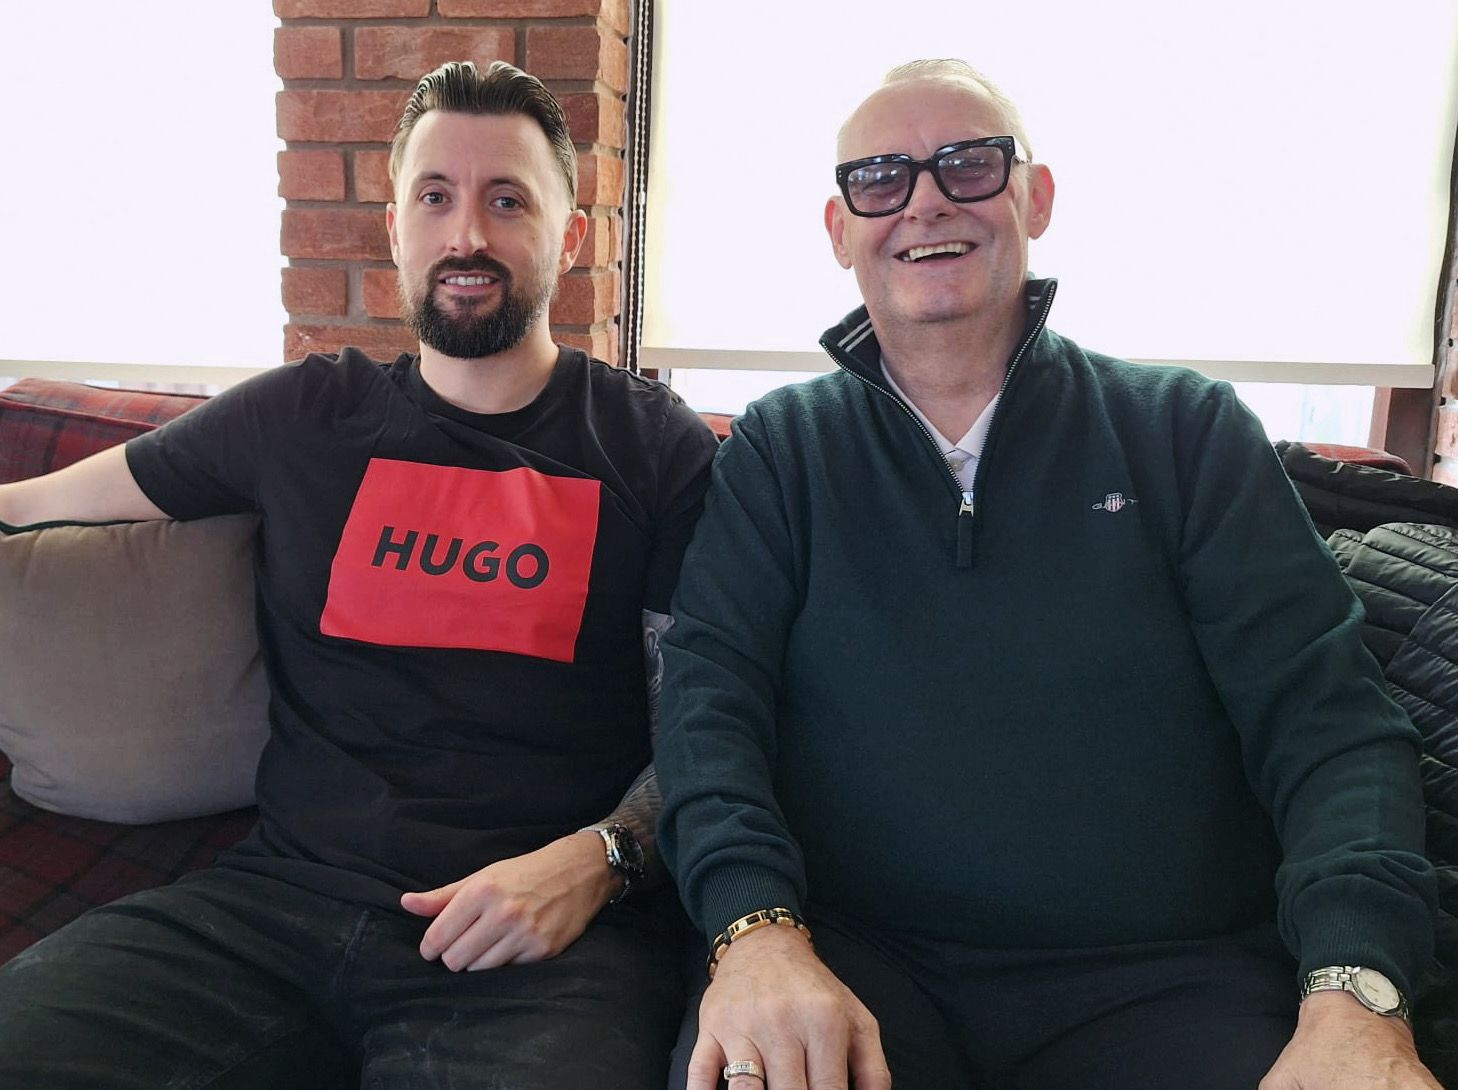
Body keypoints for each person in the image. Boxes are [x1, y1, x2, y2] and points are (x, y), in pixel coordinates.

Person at [655, 58, 1442, 1090]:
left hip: (1171, 979)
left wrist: (1357, 991)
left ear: (1035, 197)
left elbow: (1331, 726)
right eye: (881, 178)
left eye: (969, 165)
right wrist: (753, 933)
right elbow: (708, 709)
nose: (926, 199)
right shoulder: (781, 450)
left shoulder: (1184, 430)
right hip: (855, 968)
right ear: (840, 230)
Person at [0, 60, 717, 1088]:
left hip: (533, 948)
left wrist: (599, 861)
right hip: (274, 910)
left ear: (570, 235)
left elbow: (710, 718)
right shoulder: (305, 414)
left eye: (506, 199)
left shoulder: (655, 449)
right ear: (396, 229)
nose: (466, 233)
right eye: (436, 197)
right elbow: (40, 498)